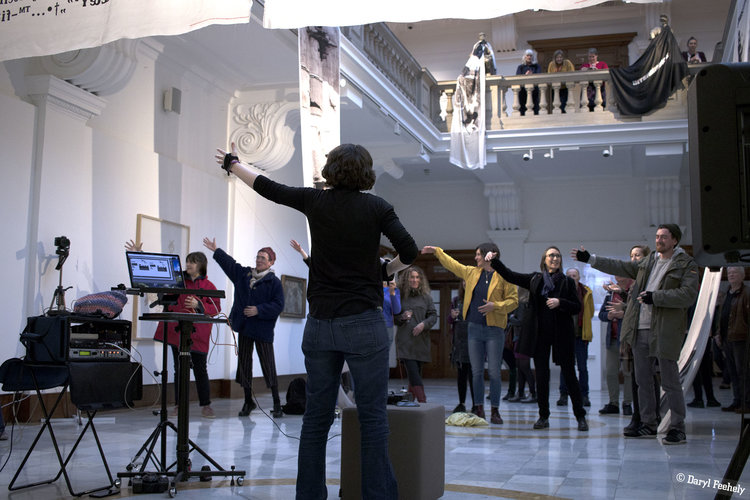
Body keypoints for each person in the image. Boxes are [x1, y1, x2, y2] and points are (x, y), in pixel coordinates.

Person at [216, 142, 417, 500]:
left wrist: (234, 163)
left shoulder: (315, 200)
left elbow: (268, 187)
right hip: (364, 325)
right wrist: (384, 270)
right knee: (372, 420)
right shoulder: (377, 207)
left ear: (331, 169)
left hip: (321, 324)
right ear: (366, 172)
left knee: (316, 420)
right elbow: (411, 250)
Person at [571, 224, 699, 444]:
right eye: (657, 236)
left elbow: (687, 295)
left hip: (664, 329)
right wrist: (590, 259)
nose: (659, 240)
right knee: (643, 380)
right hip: (640, 327)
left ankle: (678, 427)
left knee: (669, 381)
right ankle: (649, 424)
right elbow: (620, 265)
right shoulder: (650, 261)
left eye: (664, 237)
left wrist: (656, 297)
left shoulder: (685, 264)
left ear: (675, 240)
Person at [484, 247, 588, 431]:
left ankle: (580, 416)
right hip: (539, 335)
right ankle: (543, 416)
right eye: (551, 255)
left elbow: (577, 307)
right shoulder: (535, 279)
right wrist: (494, 260)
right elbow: (510, 275)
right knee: (542, 376)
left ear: (560, 260)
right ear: (544, 260)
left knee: (570, 374)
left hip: (562, 335)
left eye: (557, 256)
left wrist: (560, 302)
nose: (554, 258)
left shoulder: (567, 282)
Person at [421, 244, 518, 424]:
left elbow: (513, 301)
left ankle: (495, 411)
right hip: (474, 329)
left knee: (495, 372)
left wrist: (495, 306)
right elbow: (452, 264)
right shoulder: (472, 273)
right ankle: (479, 408)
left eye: (478, 255)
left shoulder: (504, 275)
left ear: (490, 255)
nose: (475, 258)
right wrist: (438, 252)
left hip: (494, 330)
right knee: (477, 371)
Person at [126, 241, 221, 419]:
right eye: (187, 261)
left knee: (200, 369)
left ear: (200, 265)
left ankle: (206, 405)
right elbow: (154, 278)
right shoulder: (177, 281)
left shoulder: (209, 287)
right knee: (179, 368)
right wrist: (140, 255)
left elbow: (215, 309)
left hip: (198, 333)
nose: (187, 265)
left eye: (191, 262)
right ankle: (179, 405)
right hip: (177, 331)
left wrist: (199, 305)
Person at [204, 238, 285, 419]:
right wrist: (217, 250)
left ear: (271, 262)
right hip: (245, 327)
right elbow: (230, 265)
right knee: (245, 365)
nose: (259, 260)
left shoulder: (274, 283)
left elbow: (279, 305)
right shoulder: (244, 275)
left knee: (268, 365)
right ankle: (248, 401)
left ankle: (276, 403)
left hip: (262, 330)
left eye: (263, 258)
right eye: (258, 257)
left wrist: (259, 310)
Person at [394, 266, 437, 403]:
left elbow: (433, 316)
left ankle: (411, 404)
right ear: (407, 279)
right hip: (405, 341)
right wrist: (402, 317)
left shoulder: (426, 297)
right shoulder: (399, 295)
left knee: (415, 374)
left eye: (417, 277)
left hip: (421, 341)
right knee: (413, 373)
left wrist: (423, 324)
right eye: (412, 277)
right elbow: (394, 317)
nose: (414, 280)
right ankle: (423, 402)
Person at [714, 266, 750, 413]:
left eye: (735, 273)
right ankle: (737, 400)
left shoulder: (746, 293)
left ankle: (746, 403)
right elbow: (722, 315)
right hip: (727, 337)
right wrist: (718, 333)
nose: (731, 275)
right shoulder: (728, 293)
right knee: (732, 371)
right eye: (729, 273)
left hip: (740, 338)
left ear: (742, 276)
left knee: (743, 372)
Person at [556, 268, 593, 407]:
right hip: (565, 335)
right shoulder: (561, 291)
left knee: (582, 368)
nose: (572, 277)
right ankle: (563, 395)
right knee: (565, 367)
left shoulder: (586, 292)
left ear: (579, 277)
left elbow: (589, 312)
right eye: (569, 275)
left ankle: (584, 396)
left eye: (574, 275)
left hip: (581, 335)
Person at [598, 275, 634, 415]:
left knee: (627, 373)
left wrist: (623, 314)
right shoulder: (611, 293)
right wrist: (609, 316)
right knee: (611, 372)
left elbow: (637, 311)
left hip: (626, 339)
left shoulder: (632, 290)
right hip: (612, 339)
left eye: (620, 272)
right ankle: (613, 403)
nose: (618, 276)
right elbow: (602, 314)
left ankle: (627, 403)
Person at [447, 281, 474, 413]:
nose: (466, 283)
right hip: (460, 343)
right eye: (464, 281)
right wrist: (452, 317)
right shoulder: (456, 300)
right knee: (461, 375)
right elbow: (449, 320)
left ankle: (476, 405)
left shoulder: (478, 299)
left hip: (474, 341)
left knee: (474, 376)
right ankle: (461, 403)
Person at [515, 49, 542, 116]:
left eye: (531, 56)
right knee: (522, 107)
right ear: (525, 57)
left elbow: (539, 76)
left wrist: (532, 75)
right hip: (523, 91)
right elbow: (517, 78)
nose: (529, 57)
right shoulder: (520, 67)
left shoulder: (536, 66)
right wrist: (525, 75)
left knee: (535, 106)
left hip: (534, 91)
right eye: (528, 55)